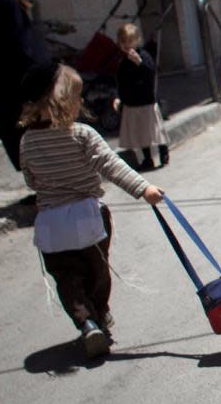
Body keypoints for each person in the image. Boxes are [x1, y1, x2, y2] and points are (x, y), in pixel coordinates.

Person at [19, 62, 164, 359]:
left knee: (67, 277)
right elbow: (111, 166)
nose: (81, 102)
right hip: (88, 216)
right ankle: (100, 310)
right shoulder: (82, 135)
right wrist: (143, 189)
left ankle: (85, 321)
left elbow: (31, 179)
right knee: (97, 272)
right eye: (76, 97)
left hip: (50, 224)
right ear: (61, 100)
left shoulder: (27, 140)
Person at [0, 0, 51, 171]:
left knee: (22, 132)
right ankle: (45, 188)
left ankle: (49, 189)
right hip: (22, 69)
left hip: (16, 75)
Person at [113, 23, 169, 171]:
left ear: (137, 40)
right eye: (123, 42)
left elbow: (151, 74)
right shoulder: (122, 64)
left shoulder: (144, 57)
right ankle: (147, 158)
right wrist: (118, 97)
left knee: (154, 130)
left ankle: (163, 151)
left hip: (146, 102)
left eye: (130, 41)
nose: (127, 45)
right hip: (131, 103)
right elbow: (120, 82)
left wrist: (140, 64)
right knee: (140, 133)